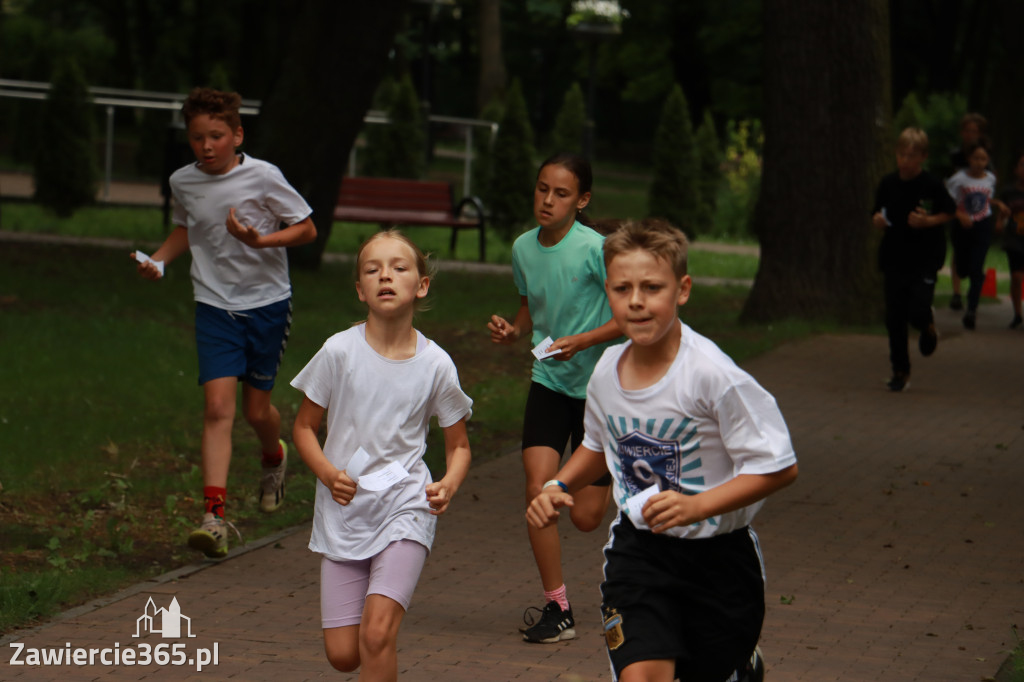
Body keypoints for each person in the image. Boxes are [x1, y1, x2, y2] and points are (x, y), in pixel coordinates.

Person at [526, 219, 798, 682]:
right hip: (640, 554)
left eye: (652, 287)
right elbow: (597, 445)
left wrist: (698, 506)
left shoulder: (711, 374)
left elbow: (778, 467)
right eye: (622, 288)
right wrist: (558, 484)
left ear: (682, 289)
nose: (636, 301)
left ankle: (742, 668)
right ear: (607, 293)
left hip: (719, 559)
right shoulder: (607, 370)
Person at [133, 87, 317, 558]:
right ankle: (213, 518)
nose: (207, 146)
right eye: (197, 138)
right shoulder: (183, 181)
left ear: (237, 135)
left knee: (257, 413)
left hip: (267, 305)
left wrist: (261, 241)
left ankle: (273, 455)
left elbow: (307, 228)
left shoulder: (263, 176)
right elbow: (187, 228)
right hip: (214, 305)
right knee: (218, 410)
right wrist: (159, 261)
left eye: (216, 136)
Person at [291, 230, 472, 680]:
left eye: (398, 267)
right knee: (344, 655)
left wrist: (448, 482)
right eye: (372, 270)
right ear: (360, 290)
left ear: (421, 285)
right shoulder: (338, 351)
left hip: (406, 504)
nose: (385, 276)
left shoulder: (436, 364)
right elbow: (303, 428)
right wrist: (329, 474)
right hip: (345, 509)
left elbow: (460, 445)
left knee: (376, 635)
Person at [487, 152, 622, 644]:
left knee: (586, 520)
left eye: (561, 193)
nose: (548, 200)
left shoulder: (596, 249)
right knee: (536, 491)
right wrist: (513, 330)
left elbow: (626, 318)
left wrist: (583, 341)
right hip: (547, 380)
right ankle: (558, 608)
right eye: (542, 188)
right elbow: (529, 309)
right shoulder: (524, 247)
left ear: (581, 200)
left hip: (598, 393)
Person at [871, 127, 956, 392]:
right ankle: (900, 370)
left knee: (916, 309)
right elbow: (876, 213)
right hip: (895, 256)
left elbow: (950, 212)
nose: (905, 160)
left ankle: (926, 326)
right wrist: (878, 220)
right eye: (901, 154)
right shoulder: (888, 183)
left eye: (911, 155)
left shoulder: (931, 185)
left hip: (925, 258)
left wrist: (928, 220)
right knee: (894, 317)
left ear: (923, 157)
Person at [945, 138, 1008, 330]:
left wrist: (998, 209)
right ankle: (966, 275)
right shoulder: (958, 179)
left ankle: (972, 310)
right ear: (968, 158)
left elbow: (987, 199)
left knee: (976, 268)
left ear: (987, 160)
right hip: (962, 227)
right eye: (975, 158)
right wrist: (959, 215)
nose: (979, 162)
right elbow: (947, 203)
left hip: (982, 226)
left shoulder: (990, 178)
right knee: (963, 269)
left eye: (983, 158)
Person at [947, 112, 989, 311]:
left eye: (975, 131)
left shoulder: (986, 157)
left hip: (979, 213)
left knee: (975, 258)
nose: (971, 134)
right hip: (959, 210)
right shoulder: (955, 156)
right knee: (959, 252)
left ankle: (972, 298)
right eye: (968, 131)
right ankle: (956, 292)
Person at [996, 150, 1024, 329]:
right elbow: (1001, 215)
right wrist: (999, 222)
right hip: (1014, 240)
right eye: (1022, 165)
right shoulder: (1008, 192)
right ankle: (1017, 314)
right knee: (1016, 277)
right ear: (1016, 169)